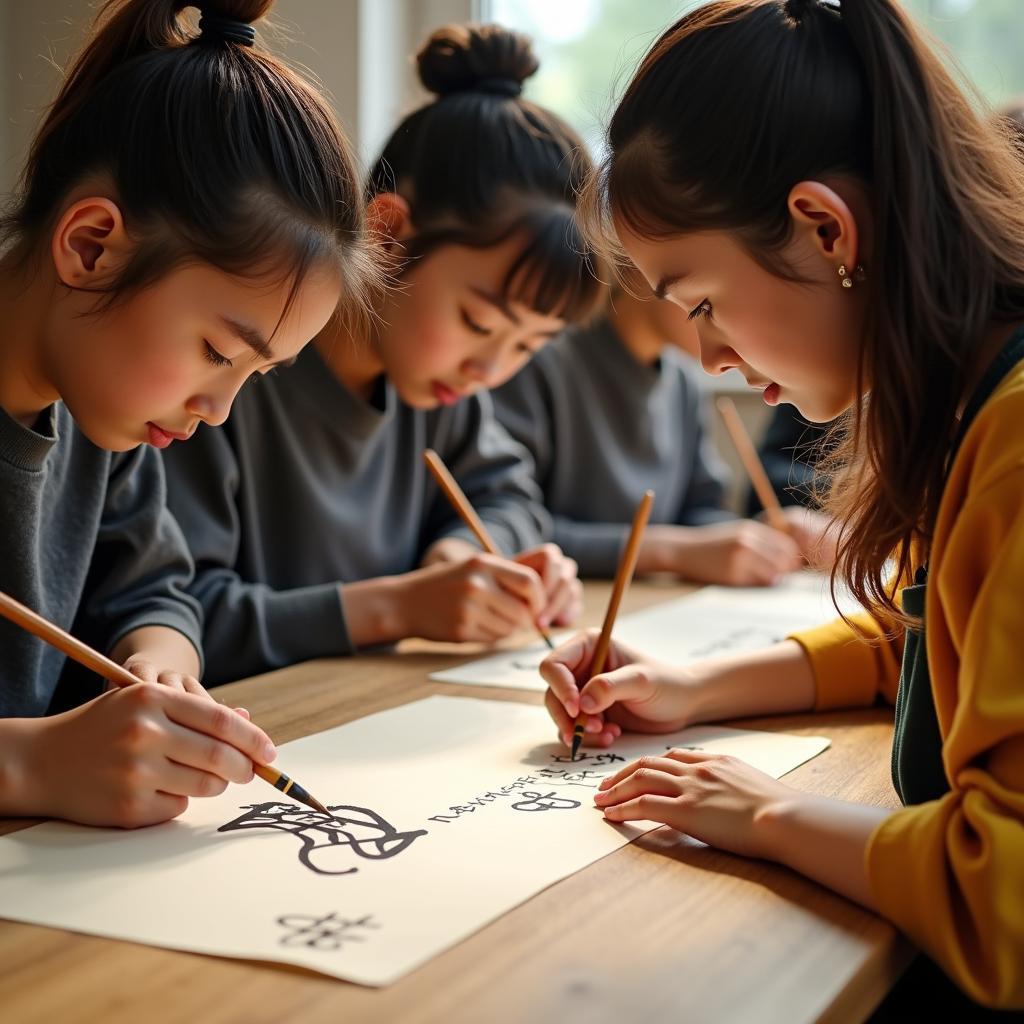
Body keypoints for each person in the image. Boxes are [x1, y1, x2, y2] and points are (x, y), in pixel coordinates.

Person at [543, 0, 1024, 1008]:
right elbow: (935, 647)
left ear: (822, 227)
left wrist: (765, 812)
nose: (708, 354)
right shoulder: (975, 406)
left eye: (704, 302)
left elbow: (1004, 895)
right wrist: (693, 684)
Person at [0, 0, 375, 827]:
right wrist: (27, 763)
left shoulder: (101, 416)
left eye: (256, 375)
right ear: (91, 246)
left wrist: (161, 664)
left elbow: (152, 590)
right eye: (216, 352)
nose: (216, 409)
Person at [162, 23, 603, 685]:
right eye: (479, 321)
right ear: (389, 234)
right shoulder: (225, 377)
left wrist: (462, 559)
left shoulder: (439, 389)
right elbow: (182, 618)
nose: (492, 369)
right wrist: (397, 608)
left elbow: (508, 497)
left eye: (529, 347)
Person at [495, 281, 834, 584]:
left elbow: (700, 510)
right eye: (706, 306)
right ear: (645, 266)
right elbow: (512, 525)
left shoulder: (682, 381)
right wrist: (672, 551)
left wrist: (759, 537)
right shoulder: (537, 359)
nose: (732, 347)